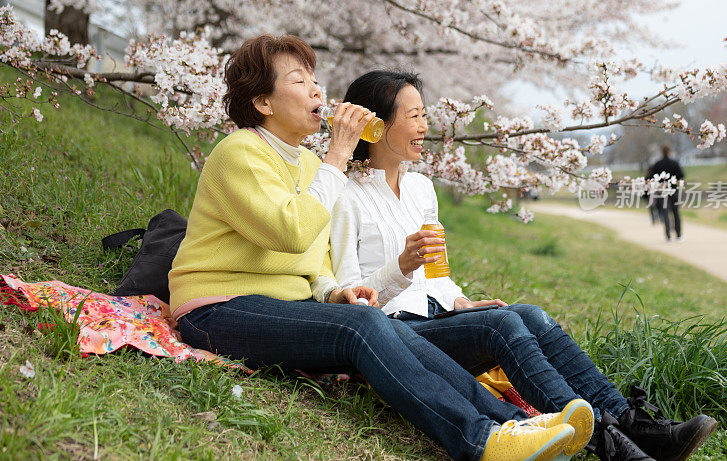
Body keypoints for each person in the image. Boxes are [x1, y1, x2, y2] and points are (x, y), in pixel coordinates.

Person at [168, 34, 588, 461]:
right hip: (217, 308)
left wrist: (333, 293)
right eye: (299, 81)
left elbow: (313, 255)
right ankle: (481, 439)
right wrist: (337, 155)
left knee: (375, 321)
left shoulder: (311, 165)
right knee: (364, 327)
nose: (317, 90)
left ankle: (511, 426)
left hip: (285, 304)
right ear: (262, 103)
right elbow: (290, 233)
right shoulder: (239, 152)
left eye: (314, 78)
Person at [329, 70, 718, 461]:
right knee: (504, 324)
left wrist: (462, 302)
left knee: (529, 314)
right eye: (413, 116)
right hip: (402, 334)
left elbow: (438, 275)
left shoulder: (421, 188)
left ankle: (633, 423)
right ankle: (609, 444)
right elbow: (352, 299)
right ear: (376, 126)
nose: (424, 126)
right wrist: (399, 267)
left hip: (441, 317)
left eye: (424, 115)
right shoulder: (347, 196)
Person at [646, 146, 684, 242]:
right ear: (670, 151)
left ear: (662, 152)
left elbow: (652, 176)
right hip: (674, 190)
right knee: (676, 213)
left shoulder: (658, 164)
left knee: (665, 213)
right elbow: (681, 175)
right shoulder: (674, 163)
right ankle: (678, 235)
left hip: (662, 191)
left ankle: (668, 236)